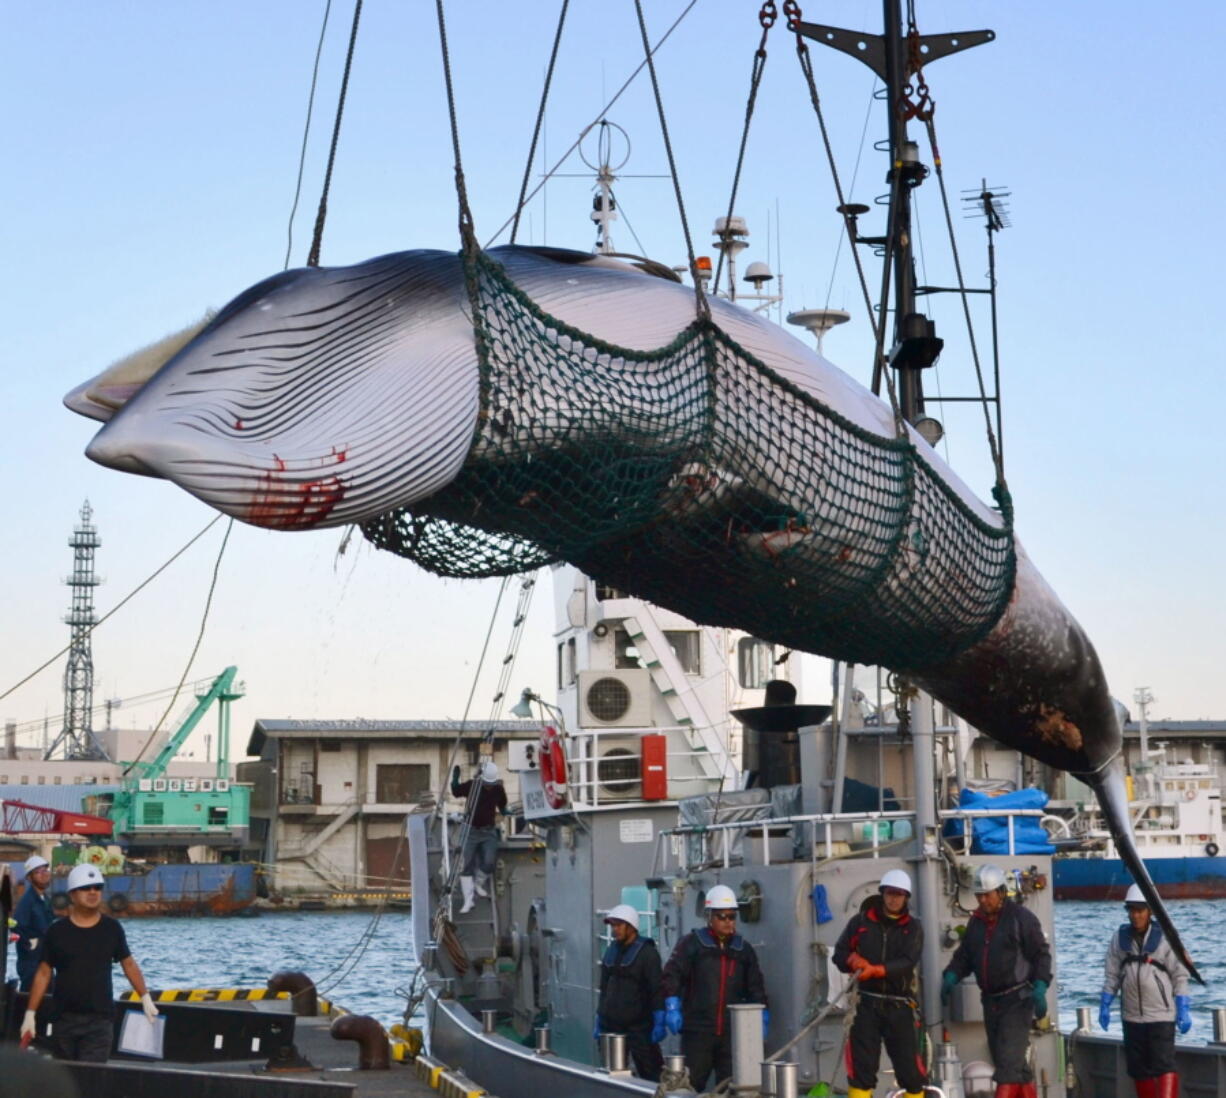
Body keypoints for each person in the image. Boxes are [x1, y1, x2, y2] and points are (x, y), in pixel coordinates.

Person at [21, 864, 160, 1062]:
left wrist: (145, 997)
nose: (93, 892)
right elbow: (44, 973)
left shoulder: (112, 929)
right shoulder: (57, 931)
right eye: (86, 888)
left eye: (97, 887)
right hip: (64, 1019)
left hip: (100, 1020)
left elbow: (128, 963)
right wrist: (30, 1013)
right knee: (67, 1080)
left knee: (92, 1080)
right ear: (72, 894)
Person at [941, 865, 1052, 1098]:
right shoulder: (976, 922)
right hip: (991, 1002)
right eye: (979, 895)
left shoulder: (1022, 919)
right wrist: (951, 975)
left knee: (1007, 1069)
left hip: (1017, 1000)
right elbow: (966, 956)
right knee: (1013, 1065)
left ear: (1001, 892)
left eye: (987, 894)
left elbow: (1041, 955)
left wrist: (1040, 986)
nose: (982, 900)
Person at [662, 884, 768, 1090]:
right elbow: (671, 975)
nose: (728, 922)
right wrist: (671, 1005)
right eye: (722, 917)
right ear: (710, 916)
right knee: (691, 1085)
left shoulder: (743, 950)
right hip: (698, 1032)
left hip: (731, 1034)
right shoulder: (691, 944)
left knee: (730, 1087)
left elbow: (756, 986)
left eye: (732, 916)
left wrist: (762, 1014)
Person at [833, 868, 926, 1098]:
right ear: (882, 894)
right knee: (861, 1070)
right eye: (890, 893)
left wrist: (875, 970)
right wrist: (852, 960)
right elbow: (840, 953)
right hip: (866, 1005)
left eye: (900, 894)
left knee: (911, 1071)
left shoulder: (913, 928)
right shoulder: (861, 922)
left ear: (906, 898)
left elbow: (907, 961)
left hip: (900, 1006)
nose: (894, 898)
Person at [1099, 883, 1190, 1098]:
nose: (1135, 916)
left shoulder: (1166, 937)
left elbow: (1180, 974)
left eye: (1139, 910)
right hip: (1131, 1017)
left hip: (1160, 1016)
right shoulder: (1119, 939)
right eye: (1131, 910)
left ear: (1150, 911)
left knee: (1164, 1065)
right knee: (1138, 1069)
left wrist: (1183, 1006)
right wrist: (1105, 1003)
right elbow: (1112, 974)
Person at [594, 902, 665, 1082]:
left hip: (640, 1028)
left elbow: (656, 988)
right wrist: (599, 1016)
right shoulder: (611, 951)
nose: (615, 929)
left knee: (651, 1074)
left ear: (631, 926)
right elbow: (604, 987)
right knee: (611, 1074)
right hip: (612, 1026)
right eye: (613, 925)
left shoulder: (648, 954)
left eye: (619, 925)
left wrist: (659, 1017)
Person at [450, 759, 508, 913]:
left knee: (489, 861)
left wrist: (505, 812)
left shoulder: (498, 790)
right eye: (487, 783)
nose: (489, 786)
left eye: (491, 783)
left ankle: (478, 884)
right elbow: (456, 791)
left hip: (488, 831)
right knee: (465, 865)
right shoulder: (473, 786)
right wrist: (455, 778)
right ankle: (468, 900)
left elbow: (502, 805)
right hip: (470, 830)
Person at [13, 854, 54, 991]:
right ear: (29, 878)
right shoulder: (28, 901)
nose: (44, 874)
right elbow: (17, 927)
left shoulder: (44, 899)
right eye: (38, 872)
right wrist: (31, 944)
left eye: (45, 870)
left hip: (45, 961)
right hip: (32, 965)